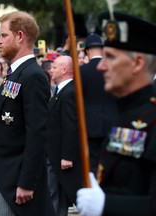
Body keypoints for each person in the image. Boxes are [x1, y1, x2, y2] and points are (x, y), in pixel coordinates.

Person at [77, 11, 156, 216]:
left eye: (110, 57)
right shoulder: (127, 112)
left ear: (137, 63)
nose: (101, 66)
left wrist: (107, 206)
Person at [0, 11, 55, 216]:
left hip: (16, 181)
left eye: (3, 35)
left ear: (20, 36)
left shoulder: (33, 75)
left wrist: (27, 182)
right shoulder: (15, 73)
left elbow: (37, 133)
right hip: (3, 175)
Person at [46, 56, 82, 216]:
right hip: (56, 155)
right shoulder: (63, 91)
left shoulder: (69, 92)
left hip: (61, 157)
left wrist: (67, 156)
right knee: (56, 198)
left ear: (64, 70)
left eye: (54, 67)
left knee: (58, 196)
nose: (50, 70)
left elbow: (70, 125)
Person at [79, 33, 118, 175]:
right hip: (112, 123)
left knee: (93, 166)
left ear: (87, 52)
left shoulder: (82, 71)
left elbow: (78, 99)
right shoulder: (113, 70)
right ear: (102, 50)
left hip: (90, 126)